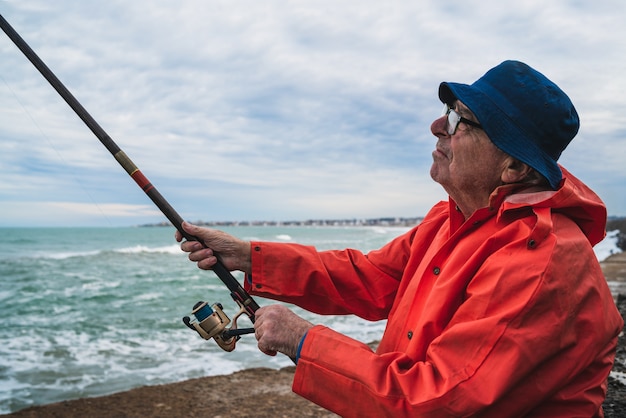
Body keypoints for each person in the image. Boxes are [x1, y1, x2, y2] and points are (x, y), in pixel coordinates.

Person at [176, 60, 623, 417]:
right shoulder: (455, 218)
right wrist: (247, 258)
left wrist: (302, 340)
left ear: (514, 168)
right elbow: (371, 277)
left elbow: (438, 401)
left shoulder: (541, 261)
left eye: (459, 119)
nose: (436, 126)